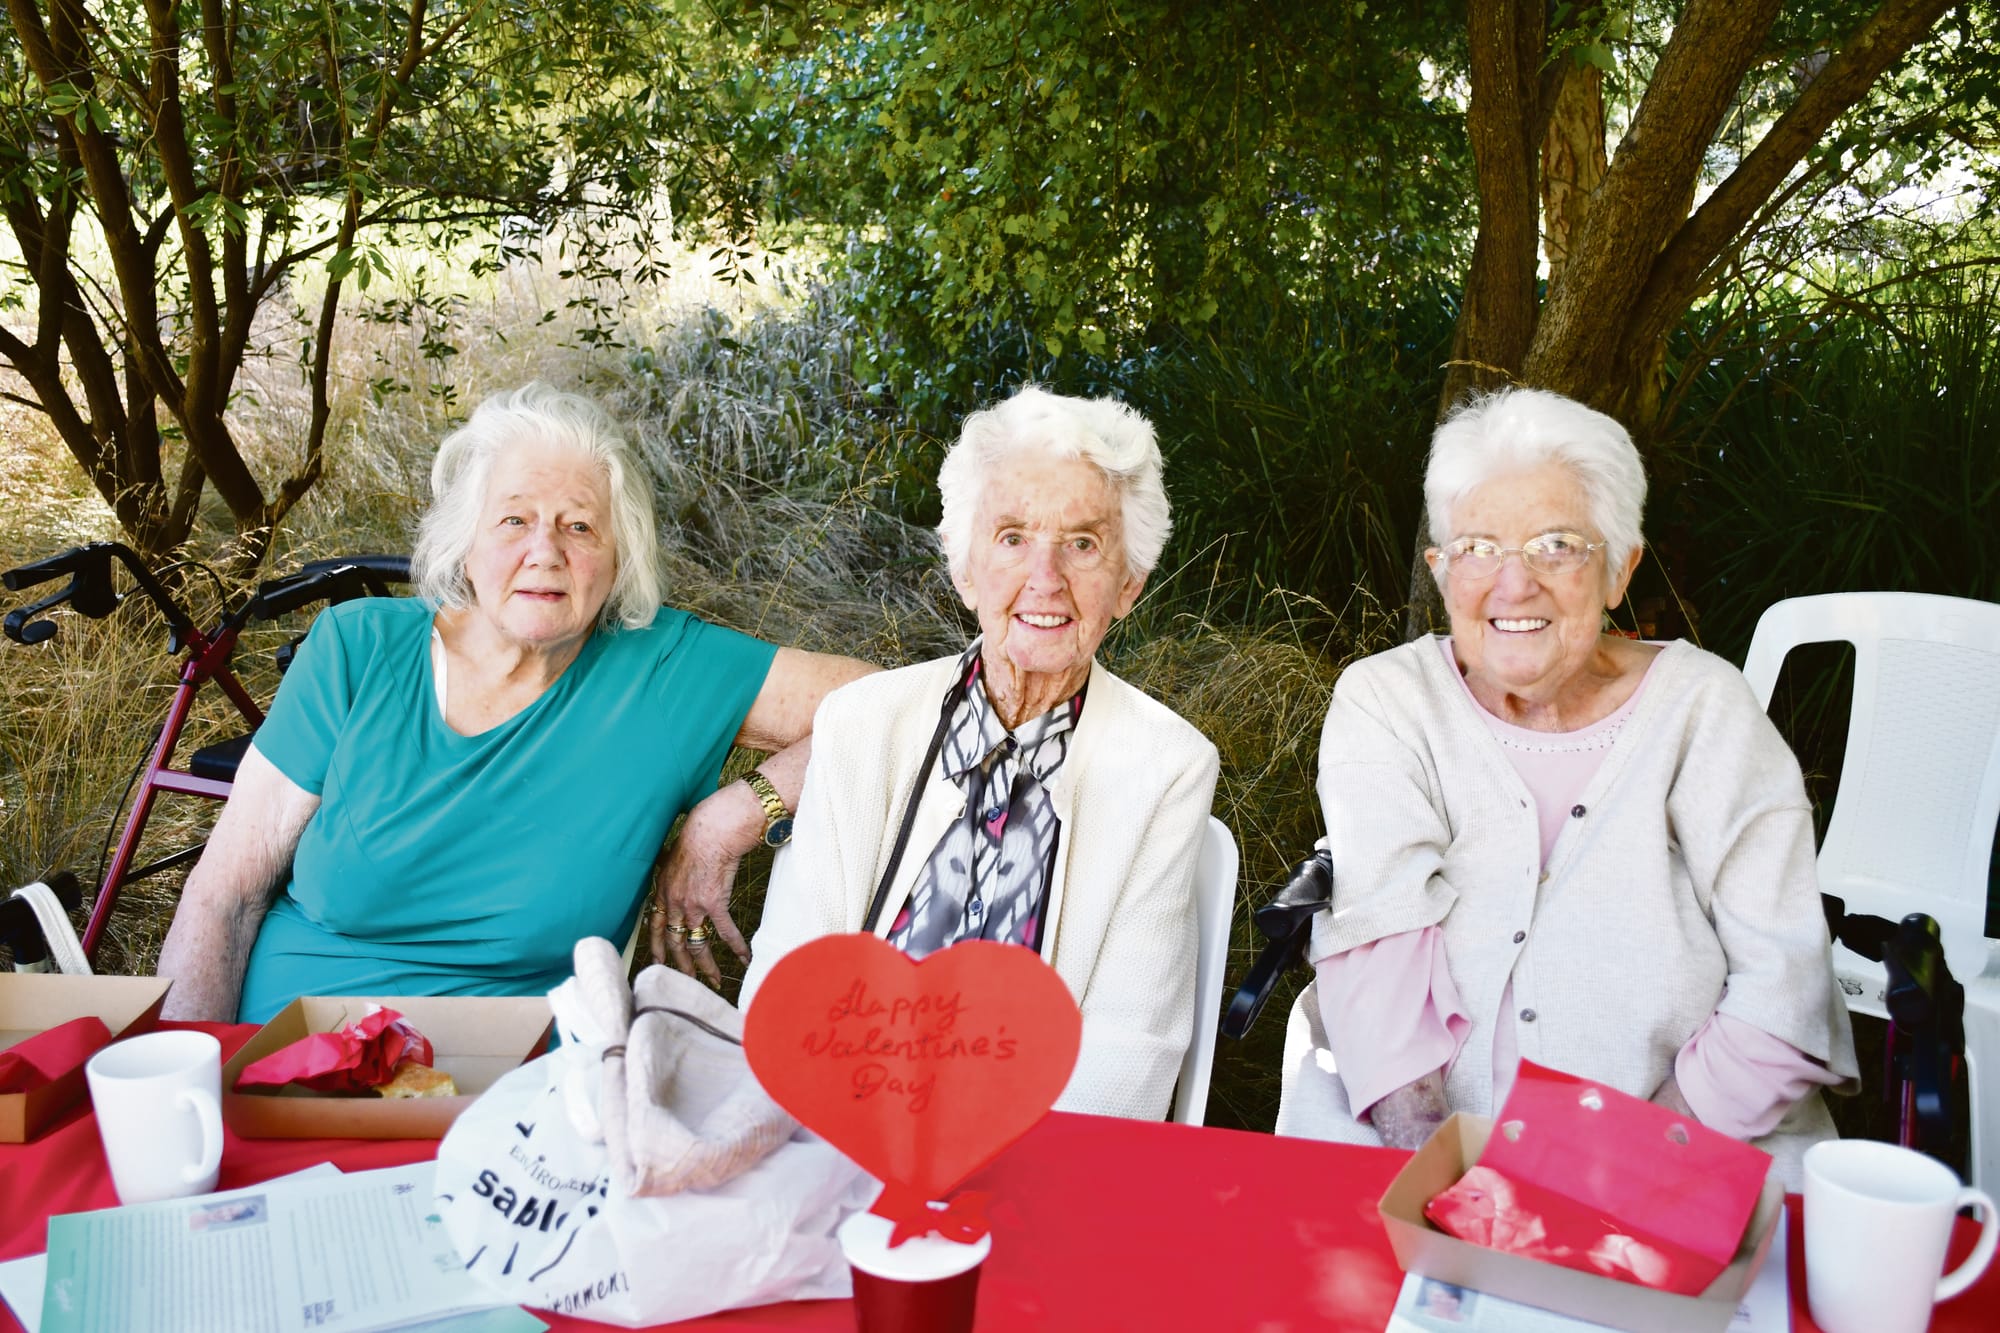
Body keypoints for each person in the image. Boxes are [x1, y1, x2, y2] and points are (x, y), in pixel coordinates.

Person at [1275, 386, 1856, 1184]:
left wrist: (1625, 1174)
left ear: (1621, 568)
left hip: (1688, 1158)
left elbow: (1784, 987)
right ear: (1441, 571)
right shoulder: (1388, 700)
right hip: (1409, 1149)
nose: (1513, 585)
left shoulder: (1704, 708)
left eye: (1556, 544)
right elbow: (1377, 956)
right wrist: (1447, 1187)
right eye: (1477, 546)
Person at [157, 382, 872, 1022]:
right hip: (288, 1064)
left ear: (620, 558)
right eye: (513, 520)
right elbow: (226, 897)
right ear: (464, 543)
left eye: (580, 525)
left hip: (512, 1105)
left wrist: (732, 817)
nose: (545, 550)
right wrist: (191, 1085)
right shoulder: (359, 648)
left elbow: (889, 707)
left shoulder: (664, 670)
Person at [734, 385, 1220, 1120]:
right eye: (1013, 536)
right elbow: (788, 986)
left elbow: (1130, 1061)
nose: (1046, 577)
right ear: (965, 569)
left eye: (1083, 543)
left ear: (1129, 584)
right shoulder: (863, 724)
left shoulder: (1169, 769)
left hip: (1045, 1171)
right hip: (837, 1137)